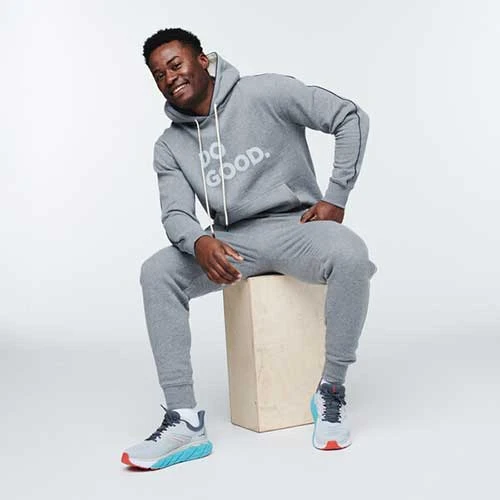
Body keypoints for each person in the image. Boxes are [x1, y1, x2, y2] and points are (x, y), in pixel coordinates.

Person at [121, 27, 377, 470]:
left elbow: (350, 117)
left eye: (176, 65)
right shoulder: (170, 146)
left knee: (351, 254)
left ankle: (331, 391)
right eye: (159, 74)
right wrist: (199, 241)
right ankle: (183, 421)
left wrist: (336, 196)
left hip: (296, 228)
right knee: (157, 272)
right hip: (232, 243)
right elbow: (175, 213)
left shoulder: (266, 92)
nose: (169, 78)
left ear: (203, 60)